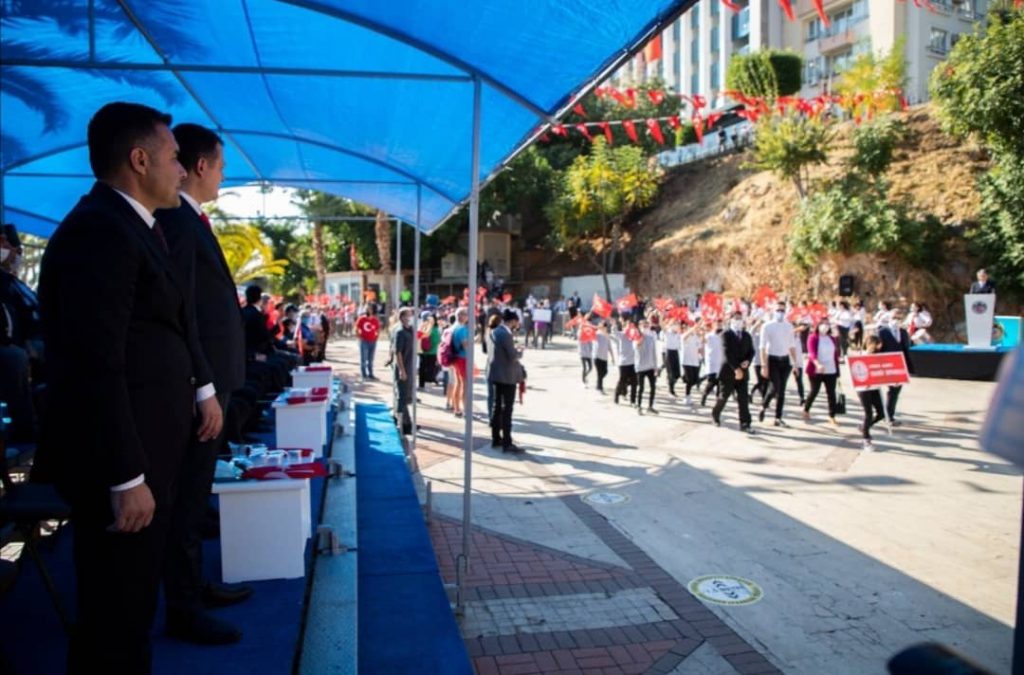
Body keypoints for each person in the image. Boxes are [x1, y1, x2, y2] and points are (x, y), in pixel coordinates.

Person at [35, 101, 220, 674]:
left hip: (149, 449)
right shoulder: (101, 232)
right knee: (115, 615)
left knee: (131, 606)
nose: (181, 170)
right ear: (139, 161)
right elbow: (94, 364)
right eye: (172, 158)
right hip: (126, 460)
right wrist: (126, 475)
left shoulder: (129, 227)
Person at [155, 123, 249, 645]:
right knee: (187, 499)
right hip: (202, 386)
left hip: (213, 380)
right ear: (198, 167)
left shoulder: (192, 223)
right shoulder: (179, 225)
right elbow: (184, 311)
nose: (223, 174)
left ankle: (193, 587)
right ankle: (184, 607)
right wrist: (203, 385)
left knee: (194, 496)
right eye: (220, 164)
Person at [712, 313, 756, 433]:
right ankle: (715, 414)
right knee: (723, 396)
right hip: (728, 371)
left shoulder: (746, 335)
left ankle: (745, 423)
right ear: (730, 320)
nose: (738, 321)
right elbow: (727, 353)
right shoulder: (725, 334)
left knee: (743, 399)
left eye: (740, 319)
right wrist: (736, 369)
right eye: (735, 319)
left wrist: (748, 361)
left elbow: (752, 351)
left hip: (743, 372)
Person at [487, 309, 523, 453]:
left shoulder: (494, 331)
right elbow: (512, 355)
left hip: (495, 374)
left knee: (496, 408)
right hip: (507, 376)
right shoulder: (506, 334)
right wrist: (520, 351)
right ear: (512, 321)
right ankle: (507, 442)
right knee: (507, 409)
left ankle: (496, 438)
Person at [758, 302, 797, 427]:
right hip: (772, 359)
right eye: (778, 310)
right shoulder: (767, 326)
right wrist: (764, 365)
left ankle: (778, 417)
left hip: (785, 361)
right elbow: (762, 347)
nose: (780, 313)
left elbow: (792, 346)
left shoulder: (789, 326)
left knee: (782, 390)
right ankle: (764, 405)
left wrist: (795, 363)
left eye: (782, 310)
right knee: (775, 387)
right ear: (773, 311)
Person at [850, 332, 886, 450]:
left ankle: (864, 427)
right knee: (868, 414)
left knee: (881, 412)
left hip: (874, 387)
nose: (880, 346)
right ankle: (866, 439)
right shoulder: (862, 355)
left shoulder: (878, 355)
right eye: (877, 344)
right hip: (864, 389)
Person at [879, 309, 914, 425]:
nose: (896, 320)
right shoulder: (882, 331)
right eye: (894, 318)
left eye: (899, 318)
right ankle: (887, 415)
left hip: (900, 366)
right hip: (888, 365)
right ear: (889, 318)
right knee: (892, 390)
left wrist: (909, 367)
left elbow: (906, 349)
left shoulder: (903, 332)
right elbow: (877, 349)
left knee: (895, 391)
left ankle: (889, 415)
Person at [803, 318, 841, 425]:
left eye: (827, 324)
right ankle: (806, 409)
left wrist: (837, 370)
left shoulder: (832, 339)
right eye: (822, 324)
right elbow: (812, 353)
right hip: (817, 369)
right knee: (814, 391)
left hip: (831, 369)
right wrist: (817, 364)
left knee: (831, 393)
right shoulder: (813, 337)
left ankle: (832, 415)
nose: (825, 326)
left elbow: (835, 354)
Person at [392, 308, 415, 435]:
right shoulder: (400, 331)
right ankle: (401, 423)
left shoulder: (409, 330)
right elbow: (397, 351)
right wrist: (402, 370)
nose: (410, 317)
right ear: (402, 317)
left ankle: (407, 423)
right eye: (408, 315)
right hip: (403, 367)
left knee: (406, 396)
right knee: (401, 395)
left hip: (409, 366)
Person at [634, 320, 659, 415]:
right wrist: (641, 336)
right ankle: (639, 406)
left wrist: (656, 366)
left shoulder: (651, 338)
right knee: (641, 388)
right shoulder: (637, 338)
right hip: (640, 367)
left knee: (653, 387)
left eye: (647, 325)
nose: (645, 327)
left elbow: (654, 353)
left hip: (650, 367)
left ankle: (650, 406)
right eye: (643, 325)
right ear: (640, 326)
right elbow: (637, 345)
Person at [450, 308, 470, 418]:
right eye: (466, 314)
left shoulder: (453, 327)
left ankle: (456, 407)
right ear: (461, 316)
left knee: (458, 383)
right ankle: (465, 409)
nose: (468, 316)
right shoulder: (462, 329)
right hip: (462, 358)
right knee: (465, 384)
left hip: (455, 358)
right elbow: (465, 345)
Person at [612, 320, 637, 406]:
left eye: (631, 326)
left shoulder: (634, 336)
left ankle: (633, 401)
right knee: (622, 381)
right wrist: (614, 324)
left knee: (634, 382)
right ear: (624, 327)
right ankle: (616, 395)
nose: (630, 327)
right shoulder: (622, 335)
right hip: (623, 362)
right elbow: (614, 332)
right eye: (628, 326)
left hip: (633, 362)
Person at [700, 320, 723, 407]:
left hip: (720, 362)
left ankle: (718, 401)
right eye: (717, 324)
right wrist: (702, 330)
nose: (719, 326)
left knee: (720, 383)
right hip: (712, 362)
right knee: (711, 382)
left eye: (720, 324)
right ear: (713, 325)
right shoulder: (709, 335)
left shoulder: (722, 335)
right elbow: (703, 340)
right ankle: (704, 395)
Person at [355, 306, 380, 380]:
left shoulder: (375, 320)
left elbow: (378, 329)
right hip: (364, 341)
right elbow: (356, 328)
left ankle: (371, 374)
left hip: (372, 341)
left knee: (371, 359)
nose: (368, 311)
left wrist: (376, 338)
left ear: (372, 310)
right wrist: (359, 337)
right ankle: (363, 375)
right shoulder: (362, 319)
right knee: (364, 358)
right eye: (367, 309)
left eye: (370, 309)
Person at [680, 323, 702, 407]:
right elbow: (685, 336)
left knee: (695, 380)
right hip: (686, 361)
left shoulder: (697, 337)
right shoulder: (684, 336)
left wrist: (700, 356)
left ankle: (685, 381)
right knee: (689, 380)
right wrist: (693, 328)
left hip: (695, 361)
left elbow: (699, 348)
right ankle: (687, 396)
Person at [418, 314, 440, 390]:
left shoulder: (423, 328)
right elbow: (437, 341)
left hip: (423, 352)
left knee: (423, 369)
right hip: (432, 352)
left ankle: (421, 385)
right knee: (430, 370)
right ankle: (427, 385)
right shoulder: (435, 329)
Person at [660, 320, 681, 397]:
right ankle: (671, 390)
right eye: (674, 324)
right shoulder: (667, 332)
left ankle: (670, 383)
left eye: (676, 324)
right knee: (671, 373)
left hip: (675, 352)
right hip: (669, 352)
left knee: (677, 374)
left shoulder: (678, 333)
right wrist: (661, 317)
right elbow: (661, 324)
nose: (675, 325)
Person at [593, 321, 611, 394]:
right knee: (600, 373)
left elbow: (609, 347)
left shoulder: (607, 335)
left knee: (605, 372)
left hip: (604, 357)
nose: (604, 328)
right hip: (597, 356)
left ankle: (598, 383)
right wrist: (598, 328)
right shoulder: (597, 334)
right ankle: (600, 388)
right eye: (603, 326)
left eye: (605, 327)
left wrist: (612, 357)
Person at [578, 322, 594, 387]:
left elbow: (591, 344)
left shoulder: (588, 334)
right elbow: (579, 335)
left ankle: (585, 376)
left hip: (588, 354)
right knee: (584, 368)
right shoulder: (580, 334)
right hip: (582, 353)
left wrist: (591, 350)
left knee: (590, 367)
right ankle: (583, 381)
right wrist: (581, 327)